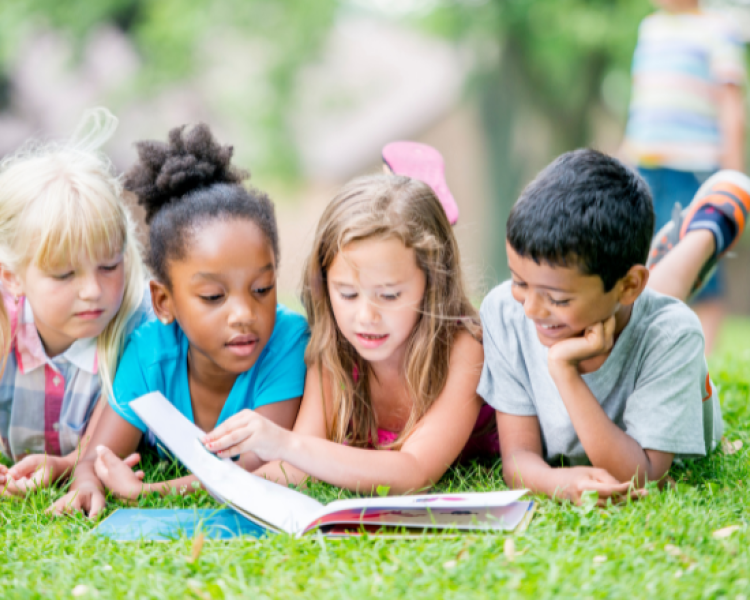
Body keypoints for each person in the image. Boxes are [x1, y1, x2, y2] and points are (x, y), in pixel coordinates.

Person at [50, 124, 308, 517]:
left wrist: (150, 492)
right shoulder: (149, 352)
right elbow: (97, 456)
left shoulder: (287, 341)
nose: (244, 315)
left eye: (262, 289)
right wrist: (87, 482)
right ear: (164, 301)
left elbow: (251, 466)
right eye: (213, 297)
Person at [479, 149, 750, 506]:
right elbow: (518, 459)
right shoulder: (504, 312)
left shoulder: (672, 334)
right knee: (644, 299)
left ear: (628, 285)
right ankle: (664, 254)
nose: (530, 309)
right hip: (625, 291)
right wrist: (557, 480)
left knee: (656, 311)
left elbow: (645, 475)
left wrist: (564, 371)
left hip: (642, 308)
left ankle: (707, 230)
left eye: (557, 299)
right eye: (519, 282)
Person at [201, 173, 494, 494]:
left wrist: (285, 442)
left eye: (389, 295)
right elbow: (298, 466)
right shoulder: (333, 350)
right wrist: (196, 486)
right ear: (325, 286)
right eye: (348, 294)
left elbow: (415, 471)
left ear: (433, 282)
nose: (366, 317)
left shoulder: (463, 348)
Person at [0, 108, 151, 495]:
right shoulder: (3, 320)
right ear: (12, 277)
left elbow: (101, 450)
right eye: (65, 274)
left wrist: (67, 465)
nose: (92, 291)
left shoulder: (137, 327)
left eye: (108, 265)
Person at [621, 0, 747, 353]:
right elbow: (641, 103)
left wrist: (732, 177)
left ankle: (704, 357)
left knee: (700, 257)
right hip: (645, 166)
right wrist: (624, 160)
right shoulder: (651, 30)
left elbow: (730, 104)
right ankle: (651, 351)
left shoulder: (719, 29)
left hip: (693, 165)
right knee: (646, 259)